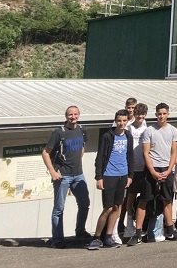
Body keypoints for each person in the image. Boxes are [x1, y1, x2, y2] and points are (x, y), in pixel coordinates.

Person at [127, 103, 177, 245]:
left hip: (166, 169)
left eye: (164, 113)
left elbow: (174, 152)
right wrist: (153, 172)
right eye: (159, 113)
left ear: (168, 114)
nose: (161, 116)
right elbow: (145, 153)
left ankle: (169, 230)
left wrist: (168, 170)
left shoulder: (173, 130)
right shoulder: (149, 130)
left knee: (167, 200)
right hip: (151, 170)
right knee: (144, 200)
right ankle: (137, 233)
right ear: (156, 114)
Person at [42, 105, 91, 249]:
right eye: (70, 114)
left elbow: (83, 147)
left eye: (75, 114)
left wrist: (78, 161)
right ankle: (57, 239)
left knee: (84, 203)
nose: (73, 117)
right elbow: (45, 152)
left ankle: (80, 231)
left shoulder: (82, 130)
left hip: (78, 174)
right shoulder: (59, 132)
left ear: (79, 115)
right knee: (59, 208)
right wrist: (52, 171)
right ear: (66, 116)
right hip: (63, 176)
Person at [89, 110, 133, 250]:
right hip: (109, 175)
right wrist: (99, 177)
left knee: (117, 207)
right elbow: (100, 157)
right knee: (108, 207)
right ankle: (97, 237)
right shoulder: (108, 136)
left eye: (124, 121)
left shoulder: (128, 135)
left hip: (123, 175)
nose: (122, 123)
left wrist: (130, 175)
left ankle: (108, 236)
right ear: (115, 121)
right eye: (119, 120)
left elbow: (130, 156)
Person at [121, 103, 149, 240]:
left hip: (144, 167)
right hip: (131, 168)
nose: (140, 117)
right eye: (138, 115)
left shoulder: (147, 128)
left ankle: (140, 226)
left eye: (142, 115)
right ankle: (129, 223)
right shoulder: (128, 128)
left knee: (144, 198)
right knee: (130, 197)